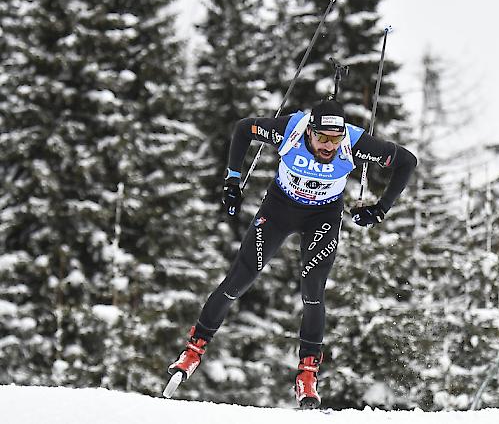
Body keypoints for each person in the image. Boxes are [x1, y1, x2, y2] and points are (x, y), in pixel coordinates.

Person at [168, 99, 417, 408]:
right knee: (239, 279)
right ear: (309, 131)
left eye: (335, 139)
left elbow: (407, 161)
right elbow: (244, 128)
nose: (329, 146)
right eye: (322, 137)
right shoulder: (290, 129)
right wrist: (233, 179)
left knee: (313, 292)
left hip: (323, 216)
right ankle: (193, 351)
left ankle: (308, 374)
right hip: (280, 208)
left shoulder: (354, 142)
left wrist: (380, 209)